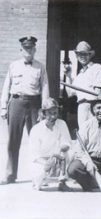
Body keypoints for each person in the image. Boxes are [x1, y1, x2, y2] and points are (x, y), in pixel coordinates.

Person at [0, 36, 49, 185]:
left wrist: (45, 109)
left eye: (31, 48)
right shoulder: (14, 66)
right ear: (21, 50)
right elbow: (6, 87)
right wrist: (3, 107)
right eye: (26, 48)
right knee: (13, 141)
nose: (29, 51)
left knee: (37, 140)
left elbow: (45, 87)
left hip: (34, 104)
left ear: (35, 49)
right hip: (16, 103)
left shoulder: (40, 67)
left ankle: (38, 176)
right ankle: (9, 174)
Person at [29, 98, 72, 191]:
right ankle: (41, 179)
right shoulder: (36, 129)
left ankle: (62, 182)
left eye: (55, 113)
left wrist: (58, 154)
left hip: (58, 157)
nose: (53, 116)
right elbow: (34, 155)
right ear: (43, 113)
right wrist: (47, 163)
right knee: (38, 184)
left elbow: (67, 142)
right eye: (49, 113)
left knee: (69, 153)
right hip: (41, 160)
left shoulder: (62, 123)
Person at [64, 41, 101, 128]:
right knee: (83, 134)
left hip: (92, 106)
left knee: (94, 133)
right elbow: (70, 93)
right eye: (80, 54)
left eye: (85, 54)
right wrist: (68, 76)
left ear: (90, 55)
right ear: (77, 56)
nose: (82, 56)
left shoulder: (97, 68)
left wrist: (96, 109)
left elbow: (98, 93)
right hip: (81, 107)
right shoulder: (80, 75)